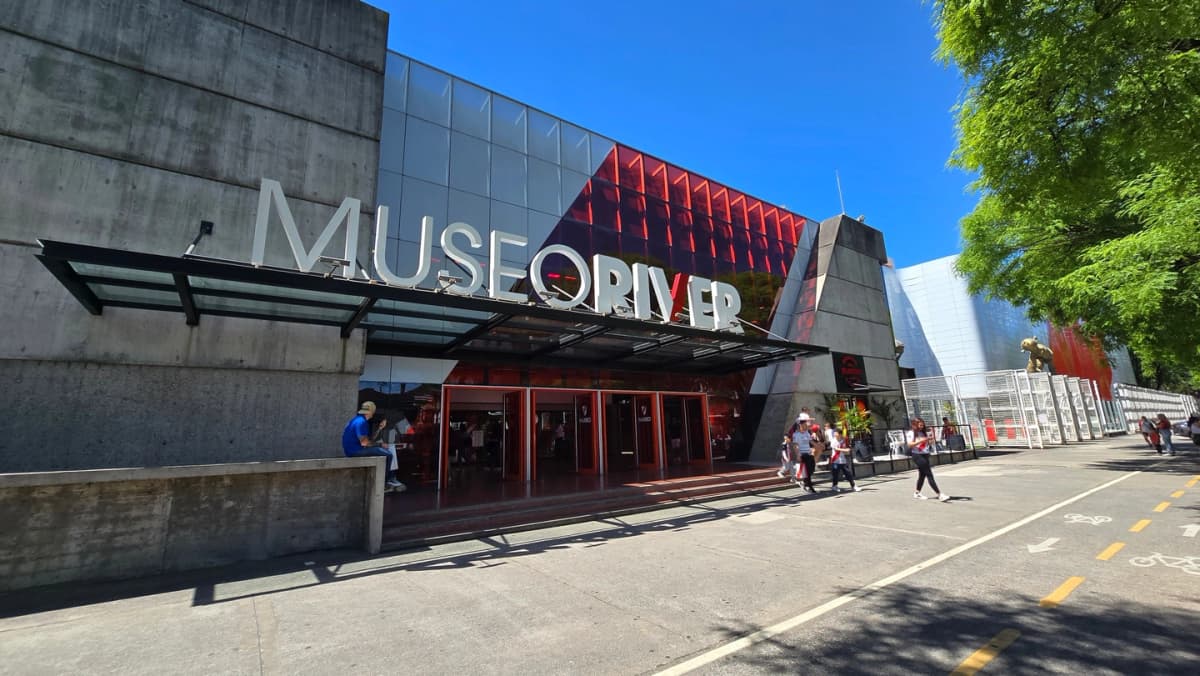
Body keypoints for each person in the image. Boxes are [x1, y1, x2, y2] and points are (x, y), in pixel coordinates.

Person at [342, 401, 406, 491]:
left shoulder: (358, 420)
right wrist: (380, 444)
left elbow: (369, 440)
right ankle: (385, 482)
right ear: (370, 411)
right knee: (388, 455)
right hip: (355, 451)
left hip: (355, 449)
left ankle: (390, 478)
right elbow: (364, 443)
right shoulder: (361, 422)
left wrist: (380, 428)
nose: (374, 413)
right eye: (373, 411)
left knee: (387, 449)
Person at [906, 417, 949, 501]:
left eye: (922, 425)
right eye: (920, 425)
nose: (922, 426)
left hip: (925, 453)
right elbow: (910, 444)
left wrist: (929, 441)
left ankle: (917, 493)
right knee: (929, 474)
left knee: (922, 475)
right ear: (915, 425)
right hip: (917, 455)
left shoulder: (922, 432)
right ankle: (939, 494)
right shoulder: (911, 433)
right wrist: (922, 441)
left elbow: (926, 443)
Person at [789, 414, 817, 493]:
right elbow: (795, 445)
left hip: (808, 453)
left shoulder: (807, 433)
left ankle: (805, 483)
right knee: (807, 471)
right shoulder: (796, 434)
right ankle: (809, 486)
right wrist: (798, 455)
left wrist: (818, 446)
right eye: (805, 423)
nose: (807, 425)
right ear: (800, 424)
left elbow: (811, 442)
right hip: (802, 454)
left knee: (812, 468)